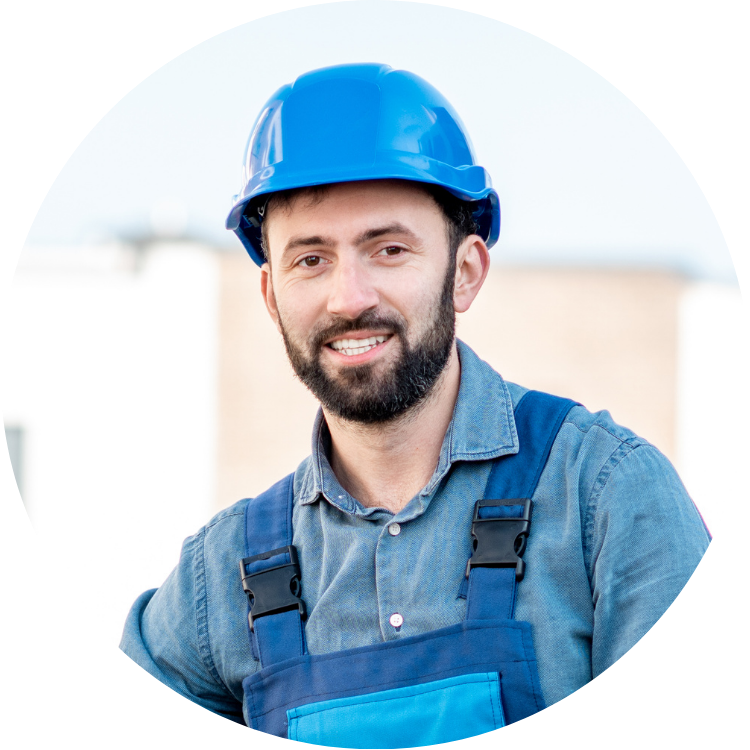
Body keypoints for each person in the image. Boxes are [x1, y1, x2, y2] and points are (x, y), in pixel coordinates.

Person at [120, 63, 710, 744]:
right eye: (310, 260)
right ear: (271, 298)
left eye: (389, 249)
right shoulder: (218, 582)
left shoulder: (604, 497)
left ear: (465, 273)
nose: (349, 297)